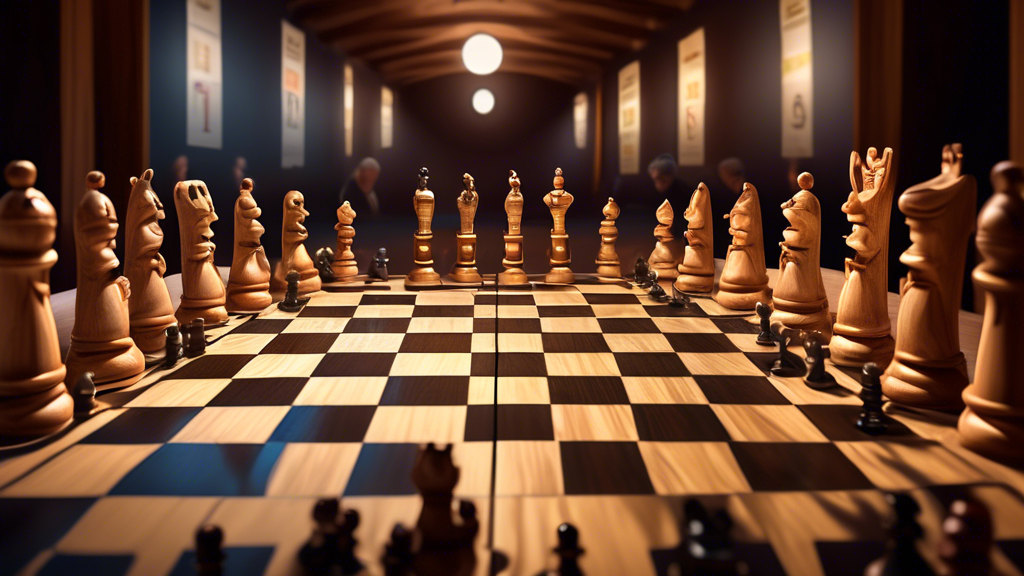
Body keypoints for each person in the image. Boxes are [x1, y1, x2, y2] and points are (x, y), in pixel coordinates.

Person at [648, 153, 691, 236]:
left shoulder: (682, 191)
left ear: (669, 176)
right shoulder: (654, 191)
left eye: (659, 179)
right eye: (654, 180)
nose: (657, 184)